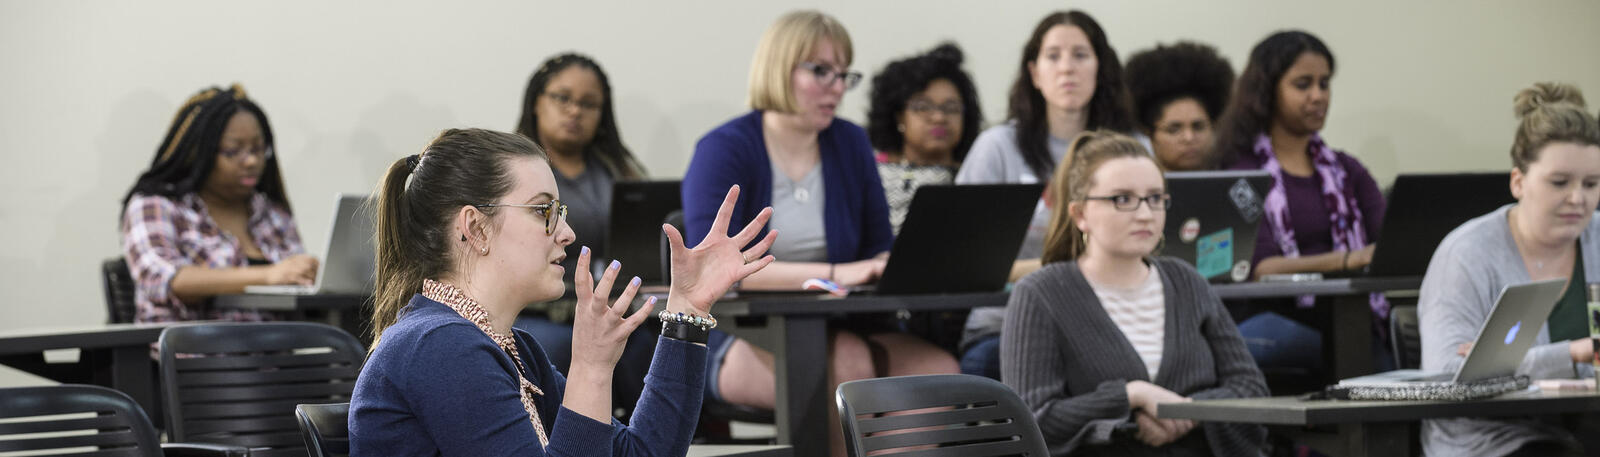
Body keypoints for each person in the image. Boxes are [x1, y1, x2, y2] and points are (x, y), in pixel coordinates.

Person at [349, 128, 776, 456]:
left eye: (561, 212)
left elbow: (646, 452)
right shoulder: (437, 347)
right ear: (475, 228)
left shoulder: (515, 350)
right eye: (543, 211)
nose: (567, 234)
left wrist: (688, 310)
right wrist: (590, 368)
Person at [680, 10, 959, 456]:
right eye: (820, 71)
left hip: (838, 324)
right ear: (778, 68)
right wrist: (841, 272)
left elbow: (877, 250)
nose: (836, 86)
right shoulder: (724, 149)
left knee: (941, 370)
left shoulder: (849, 142)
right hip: (736, 332)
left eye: (843, 74)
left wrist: (884, 266)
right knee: (846, 361)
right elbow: (717, 270)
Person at [1002, 131, 1267, 456]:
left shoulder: (1188, 281)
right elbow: (1031, 419)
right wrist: (1131, 396)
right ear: (1080, 215)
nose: (1145, 214)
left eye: (1155, 198)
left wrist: (1186, 411)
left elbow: (1251, 389)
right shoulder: (1040, 294)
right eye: (1122, 199)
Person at [1417, 82, 1600, 457]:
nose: (1578, 198)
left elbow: (1484, 369)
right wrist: (1576, 353)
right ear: (1518, 181)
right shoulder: (1466, 253)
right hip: (1493, 440)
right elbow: (1446, 376)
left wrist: (1504, 363)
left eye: (1592, 184)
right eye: (1560, 182)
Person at [956, 9, 1137, 381]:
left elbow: (1150, 249)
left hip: (1114, 321)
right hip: (1004, 323)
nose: (1067, 68)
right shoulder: (997, 147)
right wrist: (1079, 267)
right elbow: (967, 263)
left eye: (1080, 55)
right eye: (1053, 56)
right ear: (1034, 73)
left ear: (1101, 69)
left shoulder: (1131, 150)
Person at [1212, 31, 1387, 377]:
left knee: (1380, 340)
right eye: (1303, 85)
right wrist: (1348, 260)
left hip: (1349, 312)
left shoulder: (1347, 170)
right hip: (1271, 316)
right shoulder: (1242, 173)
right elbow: (1261, 269)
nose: (1318, 96)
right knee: (1357, 351)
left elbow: (1388, 243)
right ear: (1267, 92)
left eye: (1324, 84)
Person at [512, 53, 657, 420]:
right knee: (556, 349)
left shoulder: (619, 171)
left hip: (610, 306)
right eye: (562, 98)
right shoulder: (511, 170)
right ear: (536, 102)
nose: (574, 110)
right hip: (539, 311)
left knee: (652, 347)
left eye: (588, 104)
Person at [121, 84, 316, 324]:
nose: (251, 161)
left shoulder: (270, 212)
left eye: (258, 148)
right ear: (198, 153)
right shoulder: (155, 206)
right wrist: (268, 275)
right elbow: (168, 280)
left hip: (276, 356)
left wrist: (311, 273)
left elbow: (295, 280)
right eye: (233, 151)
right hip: (192, 356)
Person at [866, 42, 984, 233]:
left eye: (951, 108)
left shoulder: (977, 178)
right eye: (923, 107)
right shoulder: (870, 175)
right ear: (899, 116)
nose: (939, 117)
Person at [1123, 41, 1235, 171]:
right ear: (1149, 134)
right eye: (1173, 129)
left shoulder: (1236, 181)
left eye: (1198, 127)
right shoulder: (1134, 186)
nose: (1189, 138)